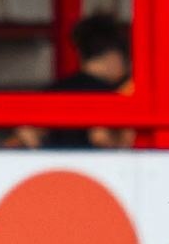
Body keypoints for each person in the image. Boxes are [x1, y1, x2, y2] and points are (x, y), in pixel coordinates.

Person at [9, 14, 136, 150]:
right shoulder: (109, 95)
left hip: (54, 166)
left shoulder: (55, 89)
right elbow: (100, 137)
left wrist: (40, 150)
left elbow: (25, 130)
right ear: (113, 56)